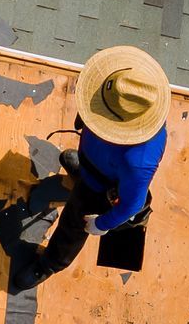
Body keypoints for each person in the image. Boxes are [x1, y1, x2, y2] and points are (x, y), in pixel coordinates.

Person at [13, 45, 171, 290]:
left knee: (73, 225)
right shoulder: (121, 91)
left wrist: (101, 224)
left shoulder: (138, 161)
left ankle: (48, 265)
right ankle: (81, 172)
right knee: (74, 161)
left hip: (99, 188)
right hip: (93, 162)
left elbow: (132, 204)